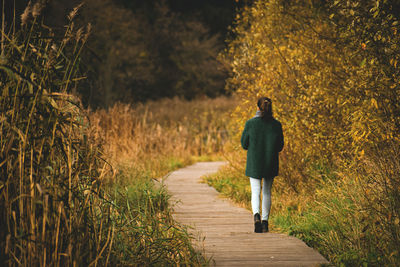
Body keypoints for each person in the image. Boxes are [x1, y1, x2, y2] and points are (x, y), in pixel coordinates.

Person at [240, 97, 284, 233]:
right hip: (270, 162)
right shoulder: (277, 125)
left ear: (258, 107)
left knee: (255, 191)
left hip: (254, 162)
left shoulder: (250, 124)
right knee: (266, 192)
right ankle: (265, 223)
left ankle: (256, 217)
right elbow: (280, 146)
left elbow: (244, 144)